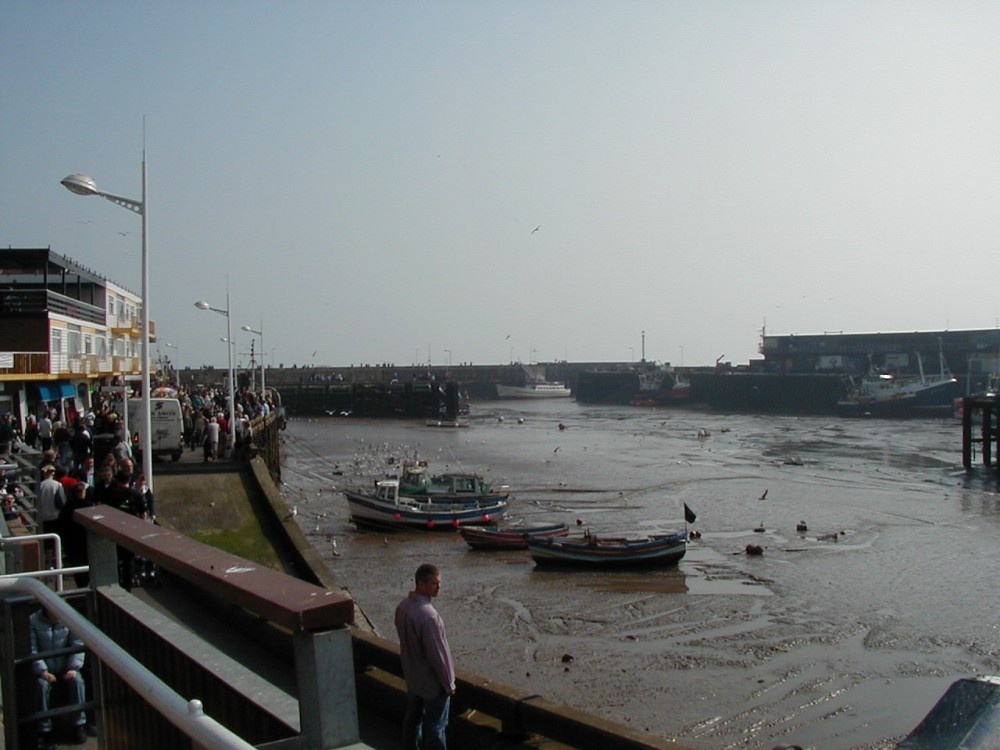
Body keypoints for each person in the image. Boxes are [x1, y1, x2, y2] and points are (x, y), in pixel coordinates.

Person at [394, 563, 456, 750]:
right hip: (432, 683)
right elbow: (438, 654)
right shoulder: (429, 616)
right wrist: (449, 683)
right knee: (436, 727)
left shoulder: (403, 607)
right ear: (421, 584)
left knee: (413, 719)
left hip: (413, 677)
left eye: (439, 583)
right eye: (434, 584)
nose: (439, 588)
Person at [30, 608, 87, 748]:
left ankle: (79, 725)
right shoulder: (33, 621)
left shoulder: (70, 618)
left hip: (65, 667)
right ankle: (45, 731)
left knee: (77, 681)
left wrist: (73, 667)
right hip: (45, 669)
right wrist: (42, 671)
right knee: (41, 686)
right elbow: (32, 649)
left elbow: (78, 643)